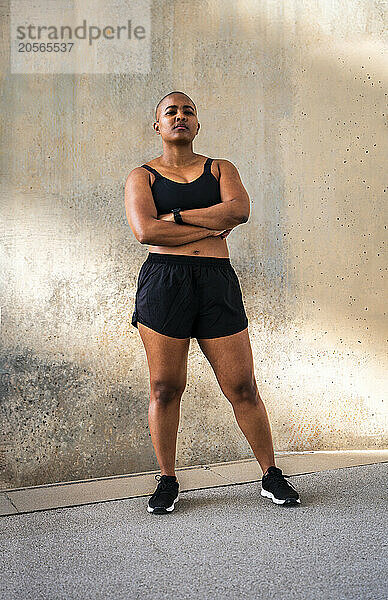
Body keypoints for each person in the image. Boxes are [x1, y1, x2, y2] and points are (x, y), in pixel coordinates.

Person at [124, 91, 300, 513]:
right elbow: (146, 232)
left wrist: (179, 218)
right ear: (158, 126)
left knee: (241, 385)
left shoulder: (220, 168)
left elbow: (238, 211)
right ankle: (167, 479)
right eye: (171, 111)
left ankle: (270, 474)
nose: (180, 116)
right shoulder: (141, 176)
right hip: (165, 282)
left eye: (188, 111)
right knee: (165, 387)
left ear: (197, 124)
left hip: (216, 281)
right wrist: (208, 224)